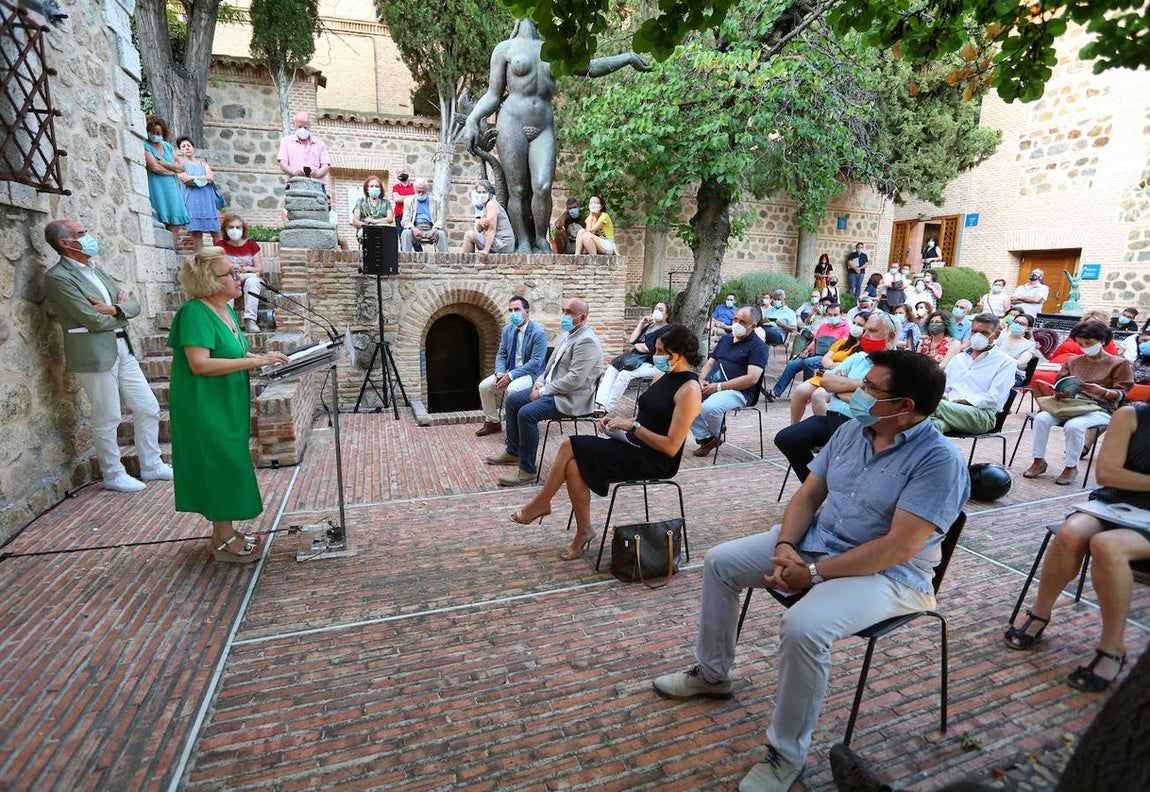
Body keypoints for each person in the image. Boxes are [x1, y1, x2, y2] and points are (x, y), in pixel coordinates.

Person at [653, 349, 968, 792]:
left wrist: (815, 574)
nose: (858, 391)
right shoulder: (853, 431)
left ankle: (785, 754)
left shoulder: (938, 462)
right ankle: (712, 673)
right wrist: (785, 545)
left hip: (891, 576)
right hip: (817, 545)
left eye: (871, 388)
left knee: (803, 626)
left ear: (904, 406)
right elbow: (808, 496)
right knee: (721, 562)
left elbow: (898, 548)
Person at [510, 325, 703, 560]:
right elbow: (648, 419)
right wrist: (620, 421)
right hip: (633, 443)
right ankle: (584, 531)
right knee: (573, 466)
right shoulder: (661, 376)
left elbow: (671, 446)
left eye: (662, 351)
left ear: (678, 354)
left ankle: (541, 504)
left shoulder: (689, 389)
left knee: (569, 444)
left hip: (655, 458)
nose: (656, 356)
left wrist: (633, 426)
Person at [463, 18, 648, 252]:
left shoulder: (553, 50)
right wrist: (471, 119)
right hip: (512, 122)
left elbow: (590, 67)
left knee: (542, 186)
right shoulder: (505, 49)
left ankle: (541, 238)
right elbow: (493, 95)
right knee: (517, 189)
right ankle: (524, 243)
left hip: (543, 126)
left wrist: (627, 58)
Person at [1005, 403, 1150, 692]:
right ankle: (1040, 612)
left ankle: (1112, 647)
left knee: (1107, 545)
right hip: (1116, 502)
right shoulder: (1133, 415)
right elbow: (1107, 474)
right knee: (1071, 532)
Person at [168, 248, 289, 562]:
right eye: (231, 274)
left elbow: (233, 355)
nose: (240, 278)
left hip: (226, 398)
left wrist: (264, 360)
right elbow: (199, 364)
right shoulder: (195, 312)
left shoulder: (225, 310)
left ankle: (227, 529)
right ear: (209, 281)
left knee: (229, 459)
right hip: (204, 402)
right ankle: (221, 538)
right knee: (220, 463)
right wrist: (255, 361)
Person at [41, 219, 171, 493]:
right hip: (94, 353)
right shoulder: (58, 277)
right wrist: (119, 310)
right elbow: (91, 319)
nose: (88, 236)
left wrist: (114, 309)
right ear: (65, 243)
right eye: (81, 234)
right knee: (107, 415)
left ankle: (151, 465)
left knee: (148, 406)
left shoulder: (95, 269)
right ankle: (113, 474)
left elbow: (132, 304)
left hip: (123, 348)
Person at [486, 298, 602, 486]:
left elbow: (574, 380)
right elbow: (548, 367)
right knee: (513, 400)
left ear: (582, 318)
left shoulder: (586, 340)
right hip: (553, 390)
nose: (564, 315)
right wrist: (539, 383)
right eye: (563, 311)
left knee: (526, 413)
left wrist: (542, 392)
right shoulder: (567, 335)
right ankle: (514, 451)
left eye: (569, 313)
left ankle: (527, 470)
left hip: (570, 398)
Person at [774, 312, 898, 481]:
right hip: (832, 416)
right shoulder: (858, 357)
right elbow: (826, 381)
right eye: (865, 330)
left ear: (890, 336)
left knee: (841, 455)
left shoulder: (897, 366)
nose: (865, 335)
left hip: (861, 425)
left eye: (872, 331)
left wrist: (841, 387)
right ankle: (817, 484)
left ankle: (825, 487)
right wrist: (863, 384)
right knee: (786, 438)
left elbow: (874, 400)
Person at [1024, 320, 1133, 485]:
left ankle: (1071, 467)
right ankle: (1038, 461)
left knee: (1074, 426)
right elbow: (1061, 383)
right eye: (1081, 344)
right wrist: (1062, 391)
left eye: (1088, 343)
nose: (1084, 347)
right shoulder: (1074, 361)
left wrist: (1103, 391)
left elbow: (1122, 393)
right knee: (1041, 419)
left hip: (1099, 408)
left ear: (1102, 340)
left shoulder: (1119, 363)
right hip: (1069, 405)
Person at [690, 306, 768, 457]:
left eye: (742, 322)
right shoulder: (726, 339)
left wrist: (718, 387)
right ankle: (708, 438)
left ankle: (716, 433)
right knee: (684, 401)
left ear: (753, 326)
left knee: (709, 408)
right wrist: (701, 379)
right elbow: (710, 363)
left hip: (739, 392)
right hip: (711, 384)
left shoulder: (758, 347)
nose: (737, 324)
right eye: (735, 319)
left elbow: (752, 378)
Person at [929, 314, 1016, 434]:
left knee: (928, 404)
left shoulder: (1006, 363)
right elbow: (945, 387)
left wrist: (962, 401)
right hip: (949, 409)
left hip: (981, 415)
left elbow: (994, 398)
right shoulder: (958, 359)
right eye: (974, 331)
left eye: (984, 333)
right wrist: (943, 395)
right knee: (928, 427)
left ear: (996, 334)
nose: (977, 336)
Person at [476, 296, 548, 437]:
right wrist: (500, 372)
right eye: (510, 310)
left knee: (513, 389)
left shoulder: (538, 333)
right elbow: (501, 354)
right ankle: (493, 422)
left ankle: (516, 430)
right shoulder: (507, 330)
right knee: (484, 386)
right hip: (509, 371)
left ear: (526, 312)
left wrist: (510, 376)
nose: (513, 313)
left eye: (517, 309)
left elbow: (535, 363)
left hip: (530, 373)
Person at [788, 312, 869, 425]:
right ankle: (794, 426)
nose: (855, 327)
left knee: (818, 395)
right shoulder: (843, 342)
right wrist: (837, 366)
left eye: (860, 325)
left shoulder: (866, 348)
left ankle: (827, 430)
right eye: (854, 323)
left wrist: (840, 367)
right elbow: (825, 360)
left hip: (845, 379)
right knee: (800, 390)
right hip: (829, 373)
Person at [595, 302, 671, 414]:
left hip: (651, 363)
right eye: (656, 308)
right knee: (613, 368)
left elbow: (648, 348)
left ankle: (607, 408)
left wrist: (638, 345)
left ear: (667, 314)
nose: (657, 311)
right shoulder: (649, 327)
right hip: (636, 359)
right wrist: (642, 323)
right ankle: (599, 403)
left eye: (661, 309)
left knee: (624, 374)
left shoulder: (666, 330)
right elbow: (632, 340)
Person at [767, 304, 849, 401]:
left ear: (841, 314)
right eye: (829, 315)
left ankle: (807, 392)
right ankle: (776, 392)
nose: (832, 317)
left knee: (808, 362)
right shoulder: (823, 327)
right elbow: (815, 341)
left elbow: (843, 346)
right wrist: (806, 350)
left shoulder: (846, 328)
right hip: (815, 353)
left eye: (835, 315)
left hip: (829, 357)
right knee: (792, 364)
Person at [143, 114, 188, 239]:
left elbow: (182, 167)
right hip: (157, 188)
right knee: (160, 222)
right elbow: (155, 168)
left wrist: (164, 163)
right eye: (153, 132)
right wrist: (173, 170)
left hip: (173, 190)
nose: (156, 135)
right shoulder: (145, 145)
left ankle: (172, 254)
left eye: (158, 132)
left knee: (174, 225)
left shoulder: (167, 146)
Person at [218, 214, 265, 334]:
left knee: (253, 281)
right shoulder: (220, 245)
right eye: (231, 227)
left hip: (248, 275)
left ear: (243, 229)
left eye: (238, 227)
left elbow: (259, 268)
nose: (235, 230)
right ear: (225, 229)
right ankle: (227, 320)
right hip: (230, 276)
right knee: (228, 281)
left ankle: (250, 320)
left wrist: (247, 269)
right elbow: (217, 268)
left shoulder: (251, 244)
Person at [175, 136, 220, 251]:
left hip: (207, 200)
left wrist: (193, 177)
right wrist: (203, 179)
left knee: (216, 233)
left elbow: (211, 178)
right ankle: (200, 264)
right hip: (192, 201)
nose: (187, 148)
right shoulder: (181, 165)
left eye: (188, 145)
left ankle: (220, 261)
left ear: (193, 147)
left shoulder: (203, 164)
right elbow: (186, 180)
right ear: (180, 150)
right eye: (183, 146)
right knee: (196, 233)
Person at [276, 112, 331, 193]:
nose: (302, 129)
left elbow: (326, 165)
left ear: (309, 125)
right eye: (299, 126)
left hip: (316, 186)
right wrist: (293, 172)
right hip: (294, 184)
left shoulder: (320, 144)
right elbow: (282, 164)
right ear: (294, 125)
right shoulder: (286, 142)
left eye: (305, 127)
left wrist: (317, 173)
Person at [461, 179, 515, 260]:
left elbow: (491, 229)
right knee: (470, 235)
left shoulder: (491, 205)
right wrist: (480, 223)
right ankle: (468, 265)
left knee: (468, 235)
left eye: (484, 192)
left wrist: (486, 250)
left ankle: (465, 265)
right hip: (499, 242)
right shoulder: (485, 207)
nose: (481, 195)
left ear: (490, 193)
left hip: (503, 243)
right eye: (479, 192)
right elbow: (479, 230)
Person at [398, 177, 448, 253]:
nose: (421, 194)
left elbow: (441, 218)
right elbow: (405, 220)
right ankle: (406, 260)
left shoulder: (436, 201)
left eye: (423, 192)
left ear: (427, 190)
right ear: (414, 190)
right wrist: (413, 229)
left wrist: (435, 228)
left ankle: (445, 261)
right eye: (418, 192)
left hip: (431, 228)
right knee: (405, 233)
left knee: (441, 234)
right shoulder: (408, 201)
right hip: (416, 228)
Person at [999, 312, 1039, 386]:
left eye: (1022, 324)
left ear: (1028, 329)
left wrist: (999, 360)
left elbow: (1021, 362)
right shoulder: (1000, 337)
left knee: (1001, 382)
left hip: (1014, 373)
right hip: (993, 368)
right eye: (1016, 322)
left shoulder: (1029, 345)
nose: (1017, 325)